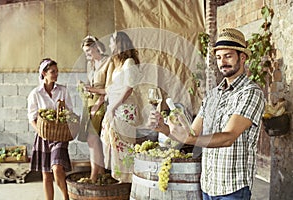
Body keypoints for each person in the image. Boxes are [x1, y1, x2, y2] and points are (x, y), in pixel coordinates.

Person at [148, 28, 265, 199]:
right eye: (218, 57)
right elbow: (192, 134)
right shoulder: (212, 95)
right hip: (208, 186)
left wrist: (190, 139)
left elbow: (228, 137)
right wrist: (164, 129)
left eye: (228, 56)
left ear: (243, 57)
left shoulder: (250, 93)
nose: (222, 62)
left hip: (233, 187)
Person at [27, 58, 72, 200]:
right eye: (53, 72)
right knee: (46, 174)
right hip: (43, 136)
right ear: (44, 73)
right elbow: (32, 117)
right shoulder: (35, 93)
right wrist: (40, 131)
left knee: (57, 168)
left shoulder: (63, 91)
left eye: (57, 71)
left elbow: (69, 112)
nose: (56, 74)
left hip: (60, 135)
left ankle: (66, 197)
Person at [100, 31, 142, 183]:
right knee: (113, 143)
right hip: (116, 107)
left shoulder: (129, 62)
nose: (110, 44)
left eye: (112, 41)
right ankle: (118, 177)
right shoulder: (118, 63)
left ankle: (127, 180)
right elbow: (115, 88)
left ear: (119, 44)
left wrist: (113, 107)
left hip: (124, 110)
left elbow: (129, 88)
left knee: (124, 146)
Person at [78, 35, 113, 181]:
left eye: (88, 51)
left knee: (94, 138)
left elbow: (110, 88)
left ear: (96, 47)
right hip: (90, 103)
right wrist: (84, 87)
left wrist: (97, 103)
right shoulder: (90, 64)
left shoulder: (109, 62)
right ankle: (100, 172)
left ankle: (95, 174)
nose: (86, 55)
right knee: (92, 140)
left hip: (103, 103)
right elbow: (91, 84)